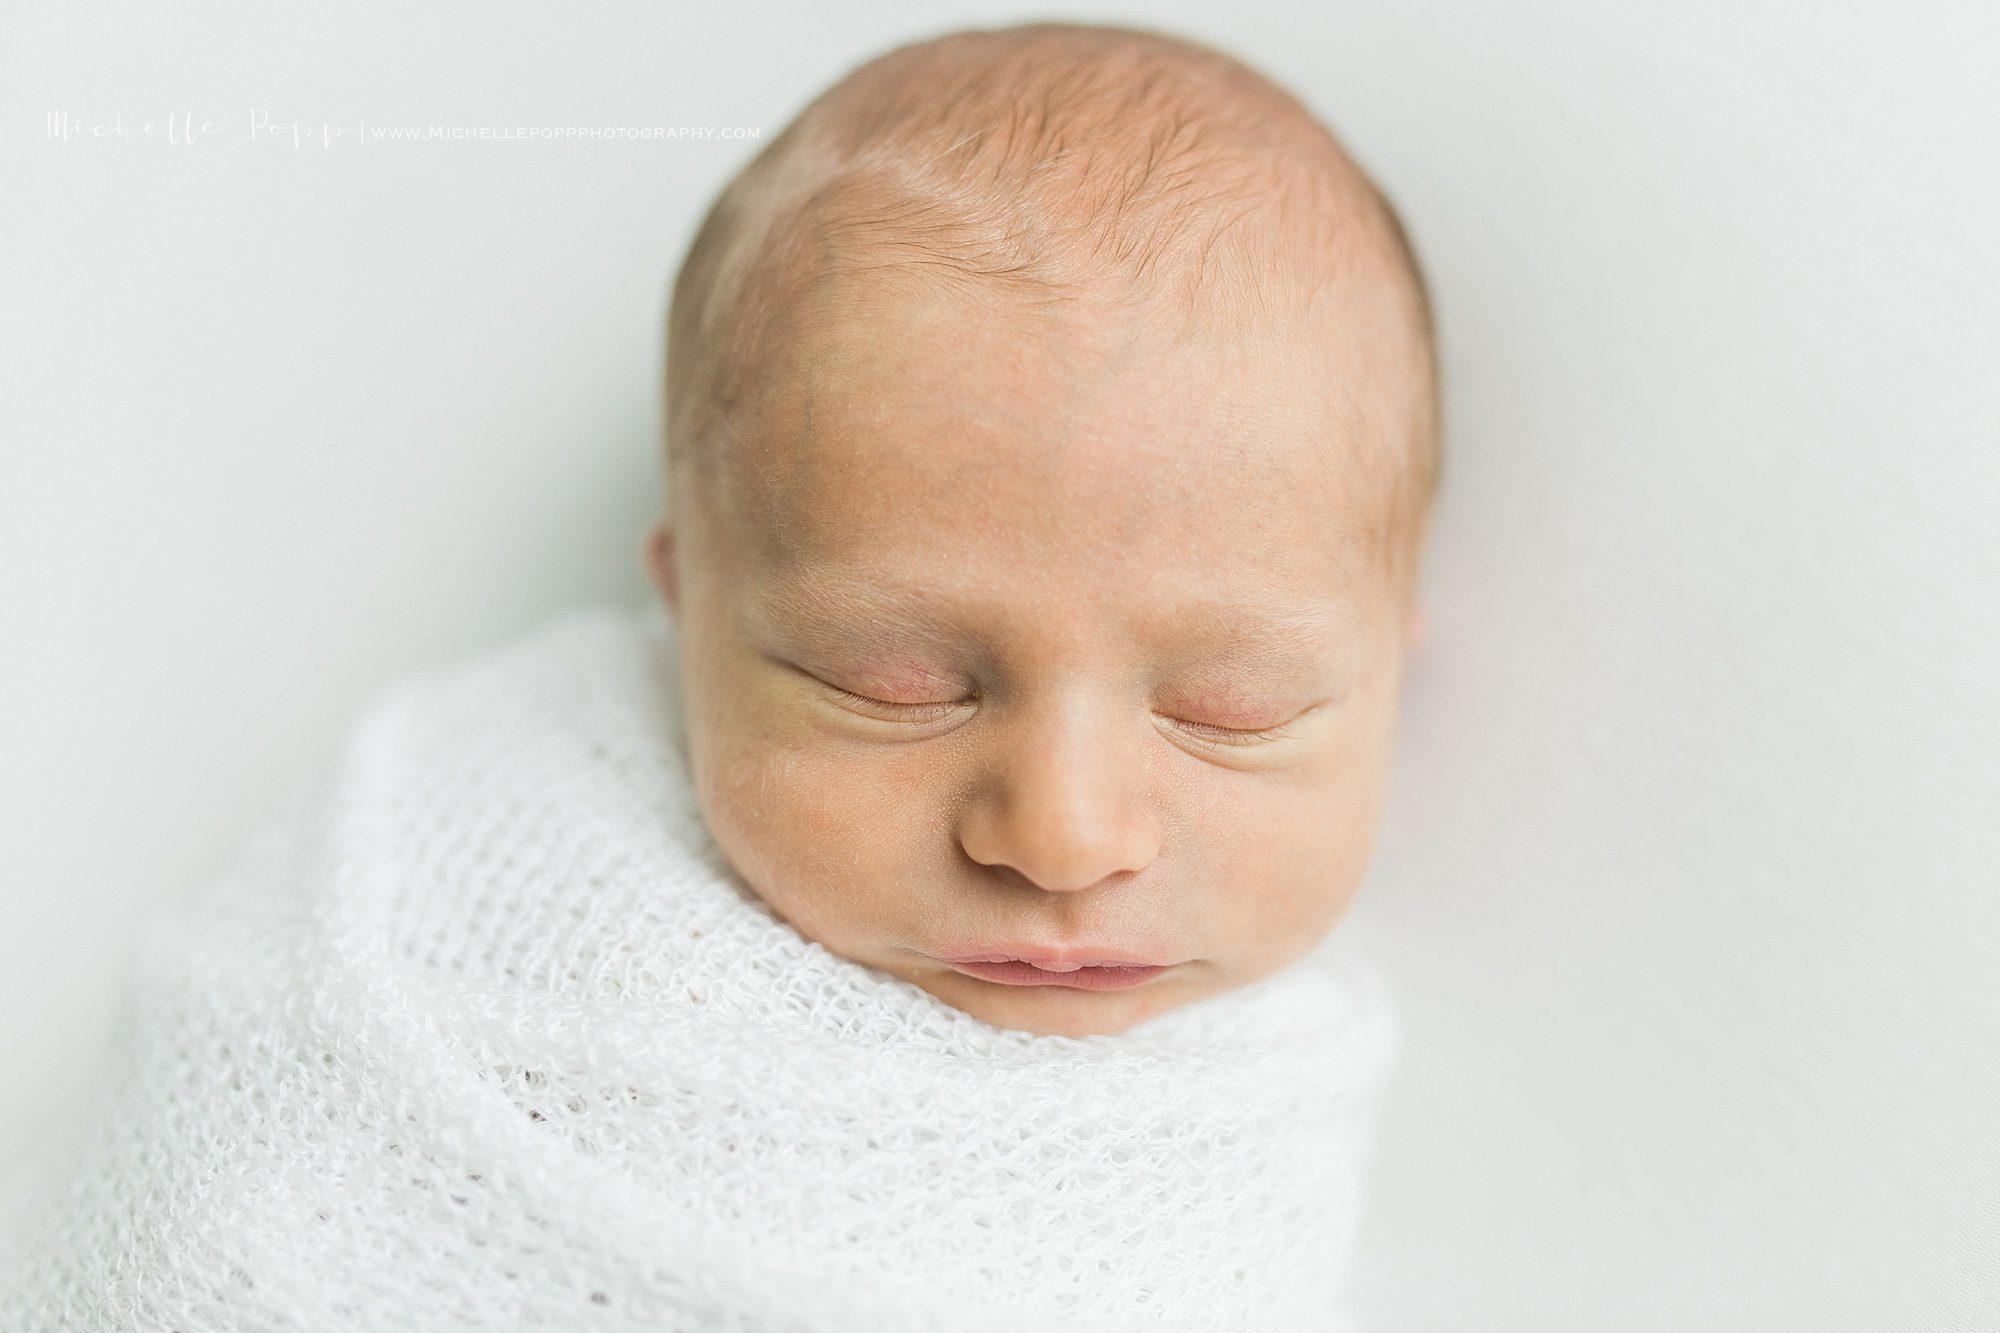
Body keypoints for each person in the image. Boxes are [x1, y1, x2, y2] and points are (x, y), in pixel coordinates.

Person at [0, 20, 1440, 1330]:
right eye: (890, 681)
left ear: (1390, 664)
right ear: (686, 606)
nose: (1059, 833)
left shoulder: (1257, 1124)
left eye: (1228, 707)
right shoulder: (475, 857)